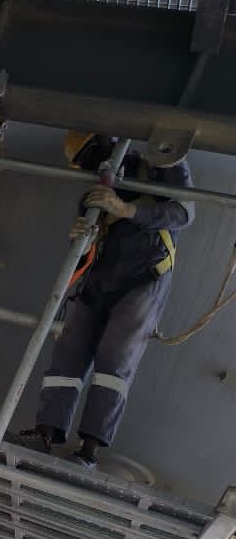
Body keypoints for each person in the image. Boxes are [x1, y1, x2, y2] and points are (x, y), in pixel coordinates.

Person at [24, 132, 193, 466]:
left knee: (115, 360)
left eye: (92, 154)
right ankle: (46, 430)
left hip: (145, 275)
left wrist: (128, 210)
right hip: (99, 279)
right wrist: (82, 240)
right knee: (68, 355)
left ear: (108, 143)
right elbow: (88, 236)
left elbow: (183, 213)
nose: (92, 164)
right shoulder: (95, 193)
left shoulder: (159, 163)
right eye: (84, 162)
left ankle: (89, 448)